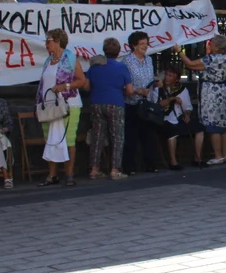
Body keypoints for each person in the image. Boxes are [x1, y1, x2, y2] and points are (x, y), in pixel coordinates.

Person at [37, 29, 87, 187]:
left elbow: (82, 81)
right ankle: (52, 175)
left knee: (68, 139)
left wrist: (64, 86)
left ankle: (69, 174)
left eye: (48, 41)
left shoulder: (71, 59)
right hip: (49, 105)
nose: (46, 44)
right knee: (50, 139)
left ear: (58, 41)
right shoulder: (48, 61)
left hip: (68, 103)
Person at [174, 35, 226, 165]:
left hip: (211, 93)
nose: (209, 44)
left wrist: (179, 52)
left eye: (211, 43)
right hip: (222, 91)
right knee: (222, 124)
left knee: (213, 124)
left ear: (216, 47)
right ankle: (224, 154)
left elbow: (190, 64)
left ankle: (217, 155)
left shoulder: (211, 59)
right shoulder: (225, 57)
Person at [85, 37, 132, 180]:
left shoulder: (94, 67)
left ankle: (94, 169)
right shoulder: (122, 67)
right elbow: (130, 90)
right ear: (118, 52)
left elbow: (86, 87)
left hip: (96, 102)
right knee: (117, 137)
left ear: (104, 51)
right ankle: (115, 169)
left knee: (97, 137)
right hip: (115, 103)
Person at [150, 67, 205, 170]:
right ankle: (173, 162)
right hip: (164, 119)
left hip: (179, 117)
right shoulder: (159, 88)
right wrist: (172, 99)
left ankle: (197, 158)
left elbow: (187, 107)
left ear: (177, 79)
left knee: (199, 128)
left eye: (171, 76)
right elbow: (158, 104)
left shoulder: (182, 89)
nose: (167, 77)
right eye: (167, 75)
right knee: (172, 131)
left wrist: (187, 115)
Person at [122, 31, 160, 175]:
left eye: (146, 43)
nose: (145, 46)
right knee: (131, 136)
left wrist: (156, 84)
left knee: (148, 135)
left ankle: (151, 164)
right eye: (141, 44)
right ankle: (129, 167)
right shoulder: (127, 61)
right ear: (134, 45)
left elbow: (150, 78)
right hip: (132, 103)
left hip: (147, 103)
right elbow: (123, 84)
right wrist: (137, 91)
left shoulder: (149, 60)